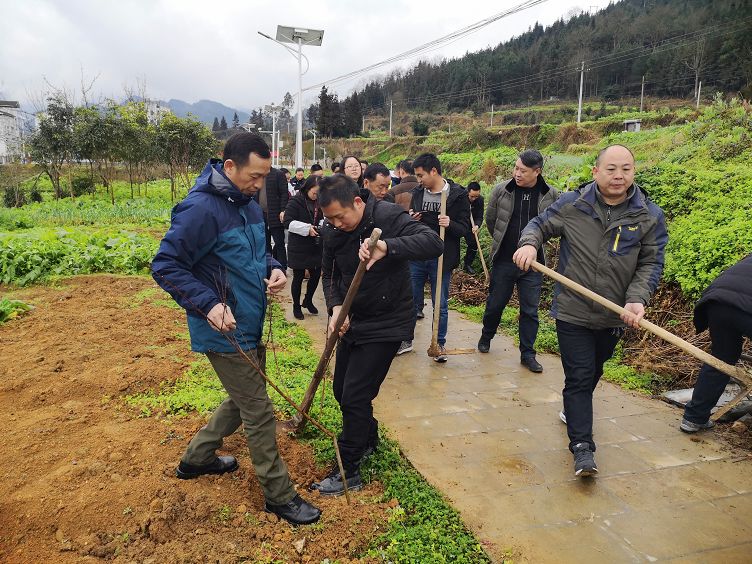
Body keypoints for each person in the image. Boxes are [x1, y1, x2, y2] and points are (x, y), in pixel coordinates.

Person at [151, 132, 321, 525]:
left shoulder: (245, 204)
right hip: (222, 329)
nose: (260, 185)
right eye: (255, 176)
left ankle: (196, 459)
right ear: (229, 167)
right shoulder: (200, 210)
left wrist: (275, 268)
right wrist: (209, 304)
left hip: (248, 319)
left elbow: (255, 254)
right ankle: (280, 496)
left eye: (264, 177)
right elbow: (165, 265)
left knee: (243, 397)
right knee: (259, 410)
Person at [513, 144, 667, 478]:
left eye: (626, 168)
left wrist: (637, 299)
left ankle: (575, 408)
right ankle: (583, 448)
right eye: (611, 168)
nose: (618, 176)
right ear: (596, 171)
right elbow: (539, 224)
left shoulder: (648, 215)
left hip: (615, 313)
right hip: (573, 310)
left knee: (595, 370)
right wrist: (529, 243)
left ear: (634, 172)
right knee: (580, 377)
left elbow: (651, 262)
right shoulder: (573, 204)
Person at [310, 173, 443, 495]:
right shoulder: (332, 229)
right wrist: (335, 309)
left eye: (340, 216)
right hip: (352, 320)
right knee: (342, 391)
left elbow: (433, 243)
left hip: (387, 322)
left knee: (355, 395)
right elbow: (329, 274)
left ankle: (348, 469)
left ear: (357, 201)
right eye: (330, 218)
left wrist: (388, 246)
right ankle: (368, 437)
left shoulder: (386, 216)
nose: (336, 223)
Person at [478, 150, 559, 374]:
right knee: (496, 303)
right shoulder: (501, 190)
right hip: (505, 259)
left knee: (530, 310)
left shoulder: (550, 195)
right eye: (516, 168)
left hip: (534, 264)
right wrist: (503, 243)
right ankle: (487, 335)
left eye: (523, 170)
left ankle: (528, 353)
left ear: (537, 172)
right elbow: (491, 219)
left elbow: (554, 224)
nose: (517, 173)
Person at [398, 153, 471, 361]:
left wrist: (450, 224)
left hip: (441, 257)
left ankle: (438, 344)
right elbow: (411, 223)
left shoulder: (457, 195)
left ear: (434, 171)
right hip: (417, 254)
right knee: (411, 299)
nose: (419, 180)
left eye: (421, 175)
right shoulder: (419, 192)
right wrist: (412, 218)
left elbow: (464, 229)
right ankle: (406, 339)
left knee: (440, 303)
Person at [681, 254, 752, 432]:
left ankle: (694, 418)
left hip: (716, 301)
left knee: (721, 359)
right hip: (744, 304)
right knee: (723, 357)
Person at [284, 175, 323, 320]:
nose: (316, 196)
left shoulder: (321, 202)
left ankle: (308, 300)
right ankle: (296, 305)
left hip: (316, 244)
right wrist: (307, 228)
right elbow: (288, 222)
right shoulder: (296, 201)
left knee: (316, 274)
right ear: (307, 188)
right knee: (299, 276)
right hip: (299, 244)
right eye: (314, 192)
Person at [257, 167, 289, 270]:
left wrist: (283, 210)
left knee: (279, 243)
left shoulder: (278, 174)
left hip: (276, 215)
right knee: (265, 244)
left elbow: (284, 193)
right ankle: (269, 268)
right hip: (260, 215)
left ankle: (282, 268)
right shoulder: (257, 174)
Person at [462, 181, 485, 275]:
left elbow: (479, 216)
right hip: (459, 222)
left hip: (470, 225)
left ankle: (467, 265)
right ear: (467, 192)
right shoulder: (461, 197)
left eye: (476, 196)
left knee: (473, 244)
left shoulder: (480, 200)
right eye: (472, 196)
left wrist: (477, 225)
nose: (474, 199)